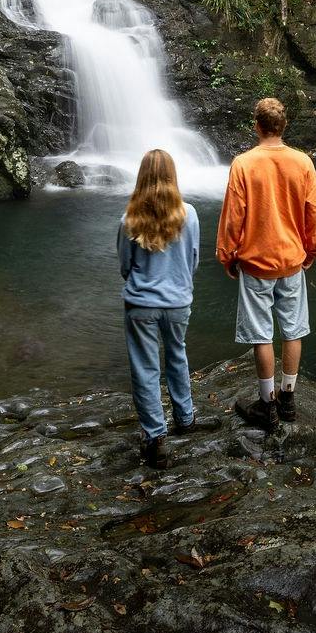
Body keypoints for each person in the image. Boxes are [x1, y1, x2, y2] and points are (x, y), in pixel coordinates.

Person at [216, 97, 316, 432]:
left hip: (256, 263)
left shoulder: (244, 164)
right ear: (283, 125)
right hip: (291, 260)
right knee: (293, 329)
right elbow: (314, 212)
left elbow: (234, 217)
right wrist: (313, 250)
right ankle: (288, 399)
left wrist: (227, 254)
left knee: (261, 334)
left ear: (257, 125)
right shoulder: (302, 162)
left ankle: (267, 404)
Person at [119, 148, 200, 470]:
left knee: (146, 369)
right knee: (177, 355)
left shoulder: (129, 218)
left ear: (141, 177)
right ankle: (185, 418)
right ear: (172, 175)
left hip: (140, 303)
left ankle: (156, 438)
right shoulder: (189, 214)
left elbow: (125, 265)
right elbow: (193, 258)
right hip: (178, 301)